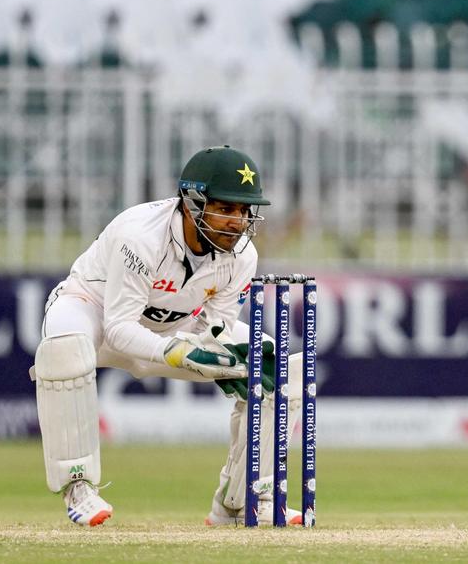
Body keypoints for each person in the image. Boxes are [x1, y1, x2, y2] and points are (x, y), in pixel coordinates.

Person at [31, 145, 301, 527]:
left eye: (244, 211)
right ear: (192, 203)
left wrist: (216, 353)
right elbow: (119, 328)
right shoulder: (140, 237)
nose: (237, 222)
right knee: (65, 349)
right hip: (93, 310)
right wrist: (176, 352)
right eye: (225, 209)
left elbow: (216, 328)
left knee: (275, 367)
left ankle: (243, 500)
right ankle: (79, 489)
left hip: (174, 329)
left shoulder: (242, 256)